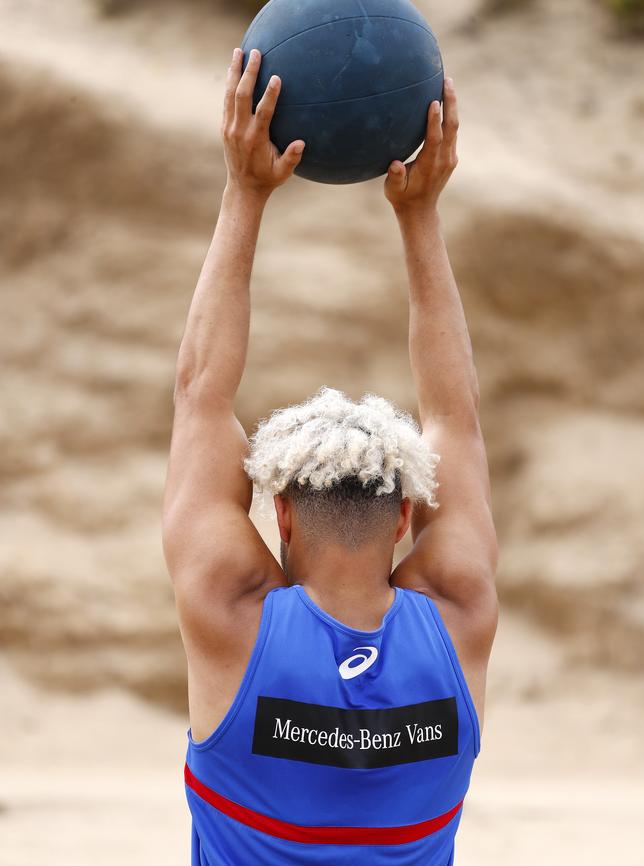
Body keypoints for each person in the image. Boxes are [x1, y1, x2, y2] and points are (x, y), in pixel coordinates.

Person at [163, 46, 499, 866]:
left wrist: (246, 192)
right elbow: (454, 417)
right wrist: (419, 216)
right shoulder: (458, 613)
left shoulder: (230, 612)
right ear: (407, 517)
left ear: (277, 512)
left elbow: (201, 392)